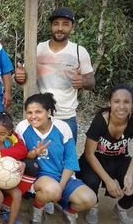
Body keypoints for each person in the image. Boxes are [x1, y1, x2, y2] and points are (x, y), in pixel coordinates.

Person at [15, 7, 95, 144]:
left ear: (72, 27)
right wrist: (19, 77)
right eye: (56, 23)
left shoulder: (79, 51)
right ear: (51, 26)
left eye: (65, 24)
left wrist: (83, 81)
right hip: (39, 115)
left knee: (66, 158)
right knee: (38, 158)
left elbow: (91, 82)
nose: (60, 28)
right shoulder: (38, 49)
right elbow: (23, 78)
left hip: (67, 116)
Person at [15, 93, 97, 224]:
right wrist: (34, 153)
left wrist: (61, 186)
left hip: (62, 175)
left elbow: (71, 161)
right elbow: (20, 155)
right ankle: (37, 209)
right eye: (29, 112)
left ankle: (68, 211)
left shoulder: (62, 127)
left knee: (90, 199)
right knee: (51, 190)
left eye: (38, 112)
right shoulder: (23, 127)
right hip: (39, 177)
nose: (33, 116)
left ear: (48, 112)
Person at [76, 85, 133, 224]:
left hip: (119, 158)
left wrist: (129, 175)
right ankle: (93, 205)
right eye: (116, 101)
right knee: (91, 181)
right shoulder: (100, 121)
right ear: (109, 103)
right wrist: (108, 180)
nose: (121, 106)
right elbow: (89, 153)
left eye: (126, 102)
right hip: (95, 158)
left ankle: (121, 208)